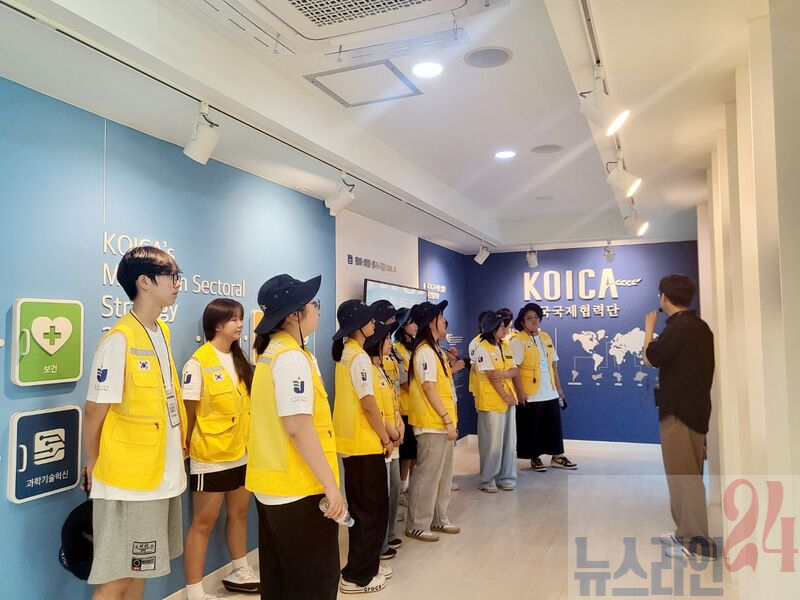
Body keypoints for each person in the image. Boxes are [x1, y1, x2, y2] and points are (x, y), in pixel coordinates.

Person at [83, 246, 187, 600]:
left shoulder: (160, 332)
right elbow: (94, 410)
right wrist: (94, 462)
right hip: (128, 481)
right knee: (118, 579)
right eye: (171, 276)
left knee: (141, 569)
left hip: (159, 475)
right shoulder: (119, 340)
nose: (177, 284)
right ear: (144, 282)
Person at [246, 274, 345, 600]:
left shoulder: (273, 353)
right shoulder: (290, 358)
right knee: (315, 583)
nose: (317, 309)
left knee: (281, 583)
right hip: (298, 489)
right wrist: (331, 487)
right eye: (313, 304)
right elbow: (299, 428)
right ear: (293, 315)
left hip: (274, 487)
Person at [181, 299, 258, 599]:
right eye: (234, 319)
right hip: (211, 457)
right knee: (203, 523)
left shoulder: (240, 360)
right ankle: (194, 591)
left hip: (243, 453)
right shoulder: (197, 363)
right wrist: (185, 448)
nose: (240, 324)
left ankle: (240, 569)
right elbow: (188, 414)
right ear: (216, 325)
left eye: (240, 318)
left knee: (239, 514)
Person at [643, 274, 717, 561]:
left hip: (680, 413)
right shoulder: (700, 327)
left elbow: (650, 358)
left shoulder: (678, 328)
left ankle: (697, 542)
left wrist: (649, 329)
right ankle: (685, 532)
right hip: (695, 409)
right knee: (686, 475)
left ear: (664, 298)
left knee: (684, 478)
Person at [332, 300, 393, 594]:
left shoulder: (348, 353)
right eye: (370, 320)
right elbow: (368, 405)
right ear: (358, 325)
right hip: (364, 445)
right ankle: (357, 577)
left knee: (364, 511)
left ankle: (367, 566)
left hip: (354, 445)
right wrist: (386, 438)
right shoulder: (358, 358)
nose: (374, 324)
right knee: (371, 512)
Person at [405, 300, 460, 542]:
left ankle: (439, 517)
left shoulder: (436, 349)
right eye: (440, 317)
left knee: (443, 475)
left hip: (442, 424)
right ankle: (417, 524)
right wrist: (446, 418)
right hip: (431, 424)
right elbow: (428, 387)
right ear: (430, 322)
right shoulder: (425, 351)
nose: (445, 321)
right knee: (427, 475)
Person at [511, 303, 577, 472]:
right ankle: (535, 458)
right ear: (522, 322)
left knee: (553, 426)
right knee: (533, 427)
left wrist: (559, 389)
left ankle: (557, 457)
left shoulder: (545, 337)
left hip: (550, 391)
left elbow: (553, 365)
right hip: (531, 393)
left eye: (536, 317)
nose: (534, 320)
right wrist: (520, 393)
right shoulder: (518, 340)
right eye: (529, 318)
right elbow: (514, 369)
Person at [364, 322, 404, 561]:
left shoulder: (382, 368)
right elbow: (374, 409)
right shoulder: (368, 369)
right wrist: (392, 434)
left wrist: (400, 427)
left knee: (394, 489)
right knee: (384, 494)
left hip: (393, 436)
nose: (390, 342)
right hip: (384, 440)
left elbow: (393, 402)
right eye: (387, 338)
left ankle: (388, 535)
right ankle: (380, 544)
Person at [473, 312, 519, 492]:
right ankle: (487, 479)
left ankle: (506, 477)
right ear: (491, 328)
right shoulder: (482, 348)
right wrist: (505, 395)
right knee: (492, 443)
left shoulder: (504, 345)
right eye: (501, 326)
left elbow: (514, 370)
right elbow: (492, 376)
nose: (505, 329)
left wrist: (504, 374)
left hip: (508, 399)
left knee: (509, 442)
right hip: (492, 402)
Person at [392, 306, 418, 506]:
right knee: (406, 454)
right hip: (404, 408)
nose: (415, 325)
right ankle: (401, 489)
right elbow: (403, 381)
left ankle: (411, 489)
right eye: (411, 322)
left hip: (418, 408)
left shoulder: (416, 346)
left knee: (415, 453)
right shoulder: (396, 348)